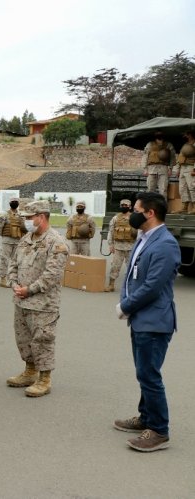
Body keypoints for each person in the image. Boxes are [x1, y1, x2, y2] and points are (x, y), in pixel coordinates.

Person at [113, 191, 179, 452]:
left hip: (155, 321)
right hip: (141, 318)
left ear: (150, 213)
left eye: (138, 209)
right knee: (144, 374)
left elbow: (152, 286)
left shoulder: (165, 244)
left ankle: (160, 430)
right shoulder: (145, 237)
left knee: (149, 375)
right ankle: (145, 418)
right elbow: (132, 277)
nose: (133, 213)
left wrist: (125, 306)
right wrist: (127, 303)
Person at [6, 200, 68, 397]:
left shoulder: (56, 242)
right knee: (23, 339)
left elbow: (52, 275)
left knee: (43, 340)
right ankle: (30, 371)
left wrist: (29, 290)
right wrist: (14, 284)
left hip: (43, 304)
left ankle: (44, 379)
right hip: (21, 301)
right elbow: (13, 264)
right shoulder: (26, 239)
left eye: (30, 218)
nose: (26, 221)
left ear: (41, 217)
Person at [104, 199, 137, 292]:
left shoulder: (134, 218)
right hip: (118, 247)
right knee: (115, 266)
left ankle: (133, 287)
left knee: (132, 267)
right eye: (122, 205)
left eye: (126, 205)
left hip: (131, 247)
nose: (123, 206)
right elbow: (111, 231)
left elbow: (140, 232)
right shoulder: (115, 218)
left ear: (130, 207)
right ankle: (111, 285)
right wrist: (111, 245)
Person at [0, 196, 27, 288]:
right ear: (10, 203)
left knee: (16, 261)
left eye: (16, 201)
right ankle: (3, 279)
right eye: (13, 201)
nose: (14, 203)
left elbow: (25, 229)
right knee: (4, 260)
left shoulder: (21, 215)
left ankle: (13, 279)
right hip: (7, 241)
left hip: (18, 241)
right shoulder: (4, 215)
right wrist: (4, 236)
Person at [142, 131, 176, 195]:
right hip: (151, 168)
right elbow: (145, 156)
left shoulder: (168, 145)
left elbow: (172, 157)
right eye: (157, 133)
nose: (159, 135)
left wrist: (170, 168)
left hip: (163, 168)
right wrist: (145, 169)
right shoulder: (150, 144)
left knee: (163, 190)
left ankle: (163, 205)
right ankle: (150, 204)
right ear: (154, 135)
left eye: (160, 133)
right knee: (150, 189)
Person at [171, 130, 195, 214]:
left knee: (192, 187)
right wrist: (177, 169)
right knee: (182, 188)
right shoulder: (185, 145)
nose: (185, 136)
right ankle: (184, 207)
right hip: (183, 168)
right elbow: (180, 157)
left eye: (186, 135)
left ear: (190, 135)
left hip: (191, 167)